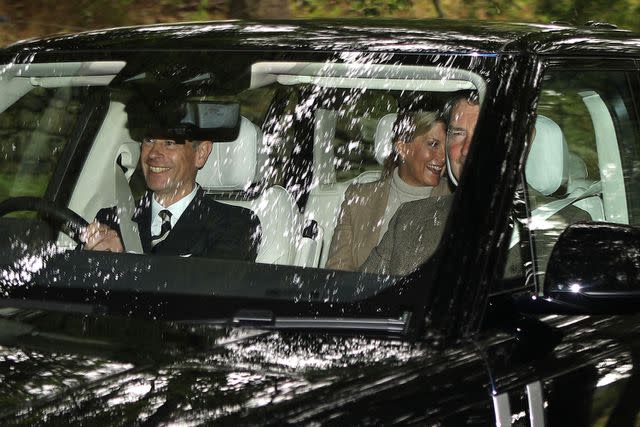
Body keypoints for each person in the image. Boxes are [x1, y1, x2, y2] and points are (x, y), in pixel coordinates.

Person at [82, 131, 261, 261]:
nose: (153, 153)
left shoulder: (238, 224)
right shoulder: (111, 220)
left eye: (170, 142)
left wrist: (124, 260)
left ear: (201, 153)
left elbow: (208, 296)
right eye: (149, 139)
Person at [359, 92, 479, 275]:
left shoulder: (535, 231)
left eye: (483, 133)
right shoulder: (407, 218)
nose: (466, 150)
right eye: (458, 133)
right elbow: (356, 289)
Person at [325, 111, 449, 271]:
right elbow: (337, 272)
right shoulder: (358, 199)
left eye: (446, 147)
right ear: (402, 148)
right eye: (433, 144)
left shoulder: (457, 200)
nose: (443, 157)